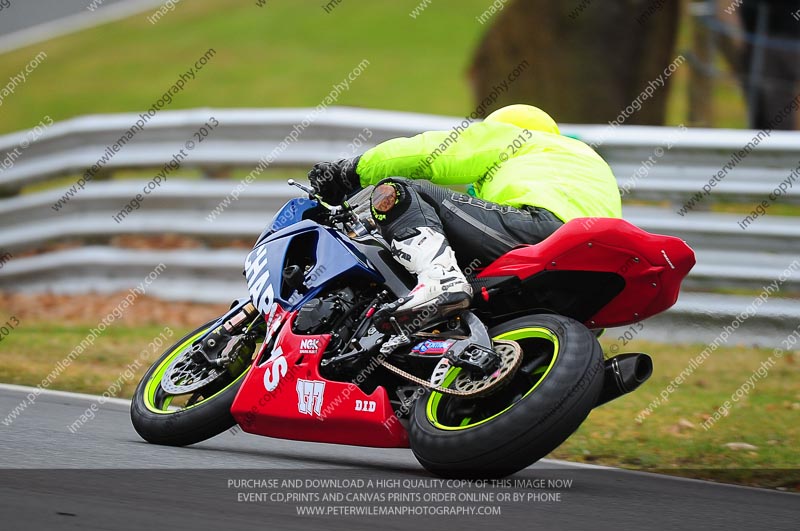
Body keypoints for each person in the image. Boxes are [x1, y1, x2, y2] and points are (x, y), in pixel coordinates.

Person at [308, 104, 621, 320]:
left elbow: (432, 153)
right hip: (599, 267)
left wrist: (350, 172)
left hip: (540, 229)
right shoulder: (589, 162)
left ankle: (441, 280)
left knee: (401, 190)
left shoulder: (521, 139)